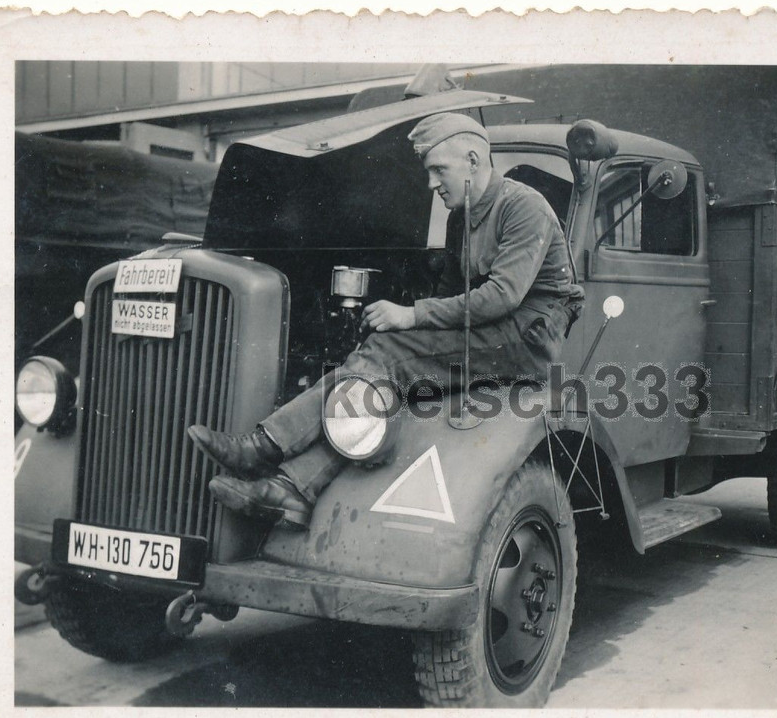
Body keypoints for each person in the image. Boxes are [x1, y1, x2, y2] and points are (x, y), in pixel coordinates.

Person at [189, 112, 584, 527]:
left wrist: (409, 316)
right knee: (373, 386)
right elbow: (449, 294)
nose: (431, 183)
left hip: (527, 339)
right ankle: (291, 488)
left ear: (472, 160)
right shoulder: (460, 219)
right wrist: (402, 319)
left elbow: (503, 296)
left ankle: (264, 447)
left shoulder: (524, 207)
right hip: (490, 333)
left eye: (438, 170)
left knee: (386, 358)